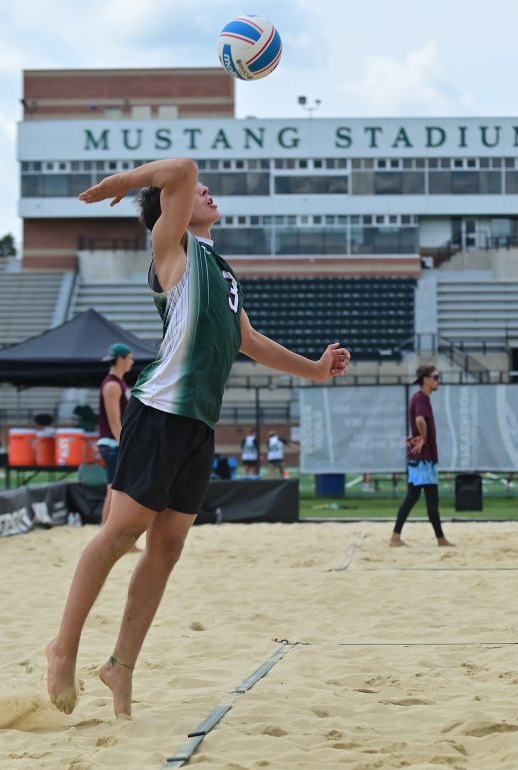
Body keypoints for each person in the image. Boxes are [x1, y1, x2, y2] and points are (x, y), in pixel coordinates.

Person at [47, 157, 351, 719]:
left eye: (207, 191)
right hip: (160, 410)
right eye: (197, 193)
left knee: (167, 548)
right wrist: (122, 184)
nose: (205, 191)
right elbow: (182, 170)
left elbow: (248, 340)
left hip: (198, 425)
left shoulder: (223, 270)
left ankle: (119, 667)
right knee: (122, 534)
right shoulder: (173, 248)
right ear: (172, 209)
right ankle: (62, 648)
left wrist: (314, 368)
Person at [390, 365, 454, 548]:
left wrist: (418, 436)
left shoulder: (421, 398)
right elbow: (419, 420)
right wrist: (423, 437)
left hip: (421, 457)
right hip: (423, 458)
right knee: (430, 499)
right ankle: (440, 539)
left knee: (413, 497)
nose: (438, 380)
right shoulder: (421, 398)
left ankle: (396, 537)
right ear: (426, 379)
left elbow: (418, 421)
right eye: (436, 376)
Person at [97, 342, 135, 527]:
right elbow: (114, 423)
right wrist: (127, 446)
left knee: (118, 491)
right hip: (113, 444)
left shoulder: (118, 383)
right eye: (129, 357)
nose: (132, 361)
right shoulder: (112, 384)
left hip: (115, 443)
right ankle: (106, 535)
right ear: (120, 359)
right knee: (113, 491)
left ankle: (111, 535)